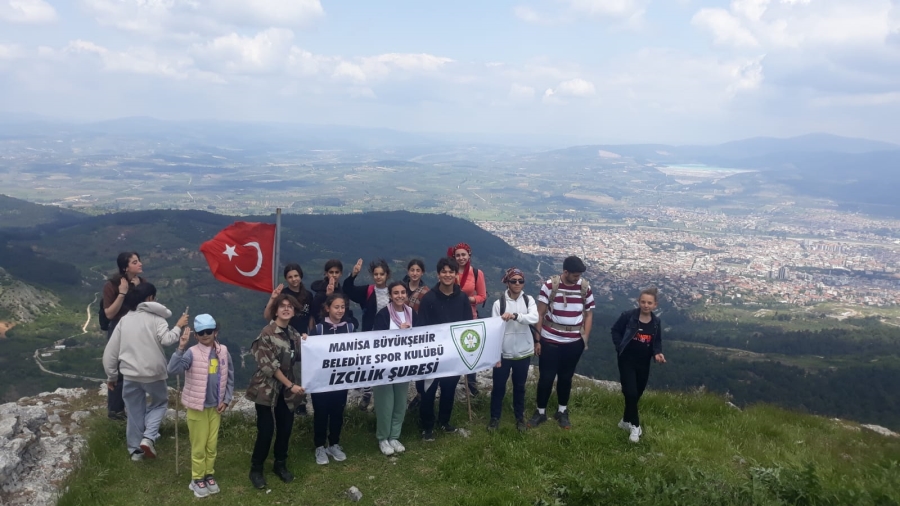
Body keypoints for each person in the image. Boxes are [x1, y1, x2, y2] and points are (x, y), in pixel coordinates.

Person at [102, 282, 188, 461]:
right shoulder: (157, 319)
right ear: (150, 298)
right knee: (159, 403)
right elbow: (167, 339)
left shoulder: (125, 320)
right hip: (154, 373)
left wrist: (112, 376)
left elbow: (110, 352)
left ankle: (135, 451)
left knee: (134, 410)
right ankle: (148, 437)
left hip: (130, 374)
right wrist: (179, 326)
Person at [167, 314, 235, 498]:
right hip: (197, 408)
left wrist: (226, 399)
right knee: (199, 445)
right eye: (201, 332)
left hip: (216, 407)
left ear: (215, 332)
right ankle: (197, 478)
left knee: (211, 445)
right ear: (195, 335)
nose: (205, 335)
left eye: (209, 331)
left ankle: (208, 474)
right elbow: (173, 370)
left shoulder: (223, 351)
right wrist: (181, 347)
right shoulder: (192, 353)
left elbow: (229, 377)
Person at [245, 294, 306, 490]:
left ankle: (280, 464)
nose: (286, 309)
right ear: (276, 310)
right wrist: (290, 385)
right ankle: (256, 469)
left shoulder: (294, 333)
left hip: (286, 391)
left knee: (285, 427)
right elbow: (270, 367)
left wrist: (307, 342)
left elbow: (303, 355)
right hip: (266, 389)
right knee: (266, 430)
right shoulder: (267, 333)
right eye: (282, 306)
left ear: (294, 311)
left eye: (290, 307)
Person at [527, 256, 594, 430]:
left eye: (579, 275)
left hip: (573, 342)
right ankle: (540, 412)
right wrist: (538, 339)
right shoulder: (550, 286)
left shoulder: (585, 287)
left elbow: (588, 315)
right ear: (565, 272)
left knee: (566, 377)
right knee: (546, 377)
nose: (577, 278)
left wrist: (584, 339)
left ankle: (562, 411)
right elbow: (540, 314)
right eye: (574, 275)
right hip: (550, 340)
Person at [416, 257, 472, 441]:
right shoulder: (429, 298)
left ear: (456, 274)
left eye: (451, 272)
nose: (447, 275)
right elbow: (422, 326)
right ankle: (427, 426)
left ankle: (444, 421)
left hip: (453, 354)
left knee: (449, 389)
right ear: (438, 274)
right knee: (428, 391)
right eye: (444, 272)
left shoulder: (462, 297)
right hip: (432, 354)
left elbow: (467, 325)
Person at [611, 287, 666, 443]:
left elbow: (657, 341)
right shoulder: (628, 317)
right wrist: (619, 346)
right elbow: (615, 331)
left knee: (637, 393)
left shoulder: (656, 322)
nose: (646, 305)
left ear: (655, 304)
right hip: (626, 360)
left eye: (649, 303)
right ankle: (635, 426)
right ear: (638, 301)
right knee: (631, 393)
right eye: (643, 302)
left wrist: (658, 353)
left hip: (644, 362)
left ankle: (625, 421)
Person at [372, 281, 421, 455]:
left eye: (402, 292)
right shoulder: (383, 314)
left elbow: (421, 336)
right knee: (385, 403)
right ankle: (383, 438)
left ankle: (394, 436)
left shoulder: (412, 313)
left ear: (406, 294)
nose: (400, 296)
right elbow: (376, 339)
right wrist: (398, 333)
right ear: (390, 296)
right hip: (384, 367)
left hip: (404, 366)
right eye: (396, 293)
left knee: (400, 402)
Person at [488, 268, 539, 432]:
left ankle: (520, 417)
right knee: (498, 387)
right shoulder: (499, 303)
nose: (517, 284)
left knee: (520, 387)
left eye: (520, 281)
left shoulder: (528, 299)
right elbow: (495, 328)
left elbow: (535, 317)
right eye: (513, 281)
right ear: (507, 282)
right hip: (504, 353)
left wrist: (516, 316)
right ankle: (495, 418)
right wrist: (495, 353)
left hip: (523, 351)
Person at [308, 293, 353, 465]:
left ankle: (334, 443)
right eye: (336, 307)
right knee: (321, 413)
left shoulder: (349, 328)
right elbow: (311, 352)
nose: (340, 310)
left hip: (341, 379)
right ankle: (320, 445)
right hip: (321, 381)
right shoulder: (318, 329)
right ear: (327, 308)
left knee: (337, 412)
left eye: (342, 307)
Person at [100, 251, 145, 421]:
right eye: (135, 262)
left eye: (138, 260)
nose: (140, 264)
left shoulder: (143, 283)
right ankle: (115, 411)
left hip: (138, 331)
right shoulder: (111, 285)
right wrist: (122, 293)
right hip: (118, 330)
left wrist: (139, 290)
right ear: (125, 267)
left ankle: (133, 408)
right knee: (118, 371)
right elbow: (110, 314)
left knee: (136, 369)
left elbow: (147, 308)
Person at [263, 263, 312, 415]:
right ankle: (286, 397)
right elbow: (267, 316)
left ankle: (301, 401)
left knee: (300, 369)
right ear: (286, 278)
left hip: (302, 337)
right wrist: (272, 299)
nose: (293, 279)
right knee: (286, 368)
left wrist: (312, 334)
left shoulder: (308, 295)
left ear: (301, 276)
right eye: (290, 277)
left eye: (296, 276)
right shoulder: (282, 295)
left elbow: (311, 317)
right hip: (284, 336)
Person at [343, 258, 391, 410]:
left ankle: (382, 397)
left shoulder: (393, 292)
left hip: (388, 337)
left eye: (381, 274)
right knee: (368, 365)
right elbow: (348, 290)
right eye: (376, 274)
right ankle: (367, 393)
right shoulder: (368, 291)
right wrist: (353, 275)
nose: (378, 277)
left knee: (384, 365)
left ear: (387, 275)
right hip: (370, 334)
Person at [449, 243, 486, 397]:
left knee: (470, 349)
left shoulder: (477, 273)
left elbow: (482, 296)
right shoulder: (450, 272)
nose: (461, 258)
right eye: (458, 255)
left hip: (470, 316)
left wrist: (468, 299)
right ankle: (452, 381)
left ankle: (471, 384)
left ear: (469, 255)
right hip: (451, 316)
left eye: (463, 255)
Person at [403, 259, 430, 411]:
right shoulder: (400, 289)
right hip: (400, 334)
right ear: (408, 271)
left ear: (422, 273)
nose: (414, 273)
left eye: (417, 270)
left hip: (418, 334)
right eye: (412, 270)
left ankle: (420, 395)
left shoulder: (426, 292)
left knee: (420, 367)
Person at [309, 259, 359, 328]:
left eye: (336, 272)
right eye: (331, 272)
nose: (334, 275)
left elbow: (346, 312)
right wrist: (327, 296)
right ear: (326, 273)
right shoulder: (319, 294)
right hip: (324, 330)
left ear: (341, 273)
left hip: (341, 329)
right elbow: (314, 314)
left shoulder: (343, 293)